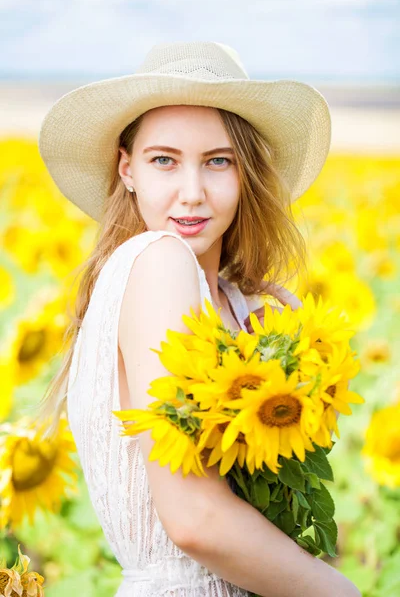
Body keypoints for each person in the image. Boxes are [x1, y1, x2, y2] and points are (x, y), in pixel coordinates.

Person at [35, 41, 361, 597]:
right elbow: (194, 519)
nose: (192, 194)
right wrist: (342, 592)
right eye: (164, 159)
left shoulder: (234, 301)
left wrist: (289, 368)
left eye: (218, 161)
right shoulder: (158, 262)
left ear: (245, 172)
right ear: (127, 168)